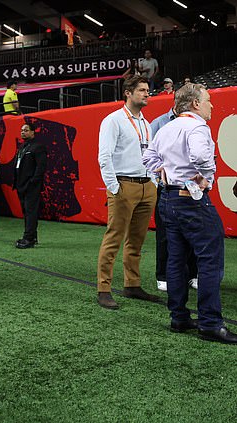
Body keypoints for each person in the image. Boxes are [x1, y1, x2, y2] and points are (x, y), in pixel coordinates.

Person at [143, 83, 237, 343]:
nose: (211, 105)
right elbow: (200, 156)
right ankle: (210, 323)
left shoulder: (167, 126)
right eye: (207, 100)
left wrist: (162, 170)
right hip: (192, 201)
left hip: (168, 199)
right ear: (195, 104)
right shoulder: (197, 126)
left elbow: (147, 157)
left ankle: (179, 318)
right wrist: (206, 176)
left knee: (176, 259)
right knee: (210, 260)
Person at [96, 75, 159, 310]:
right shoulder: (113, 120)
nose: (146, 93)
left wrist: (152, 181)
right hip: (124, 185)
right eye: (141, 90)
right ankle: (104, 288)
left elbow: (150, 154)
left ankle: (132, 285)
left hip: (146, 186)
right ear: (128, 93)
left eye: (147, 90)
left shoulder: (145, 123)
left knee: (137, 241)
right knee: (114, 238)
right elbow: (104, 157)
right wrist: (114, 187)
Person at [150, 106, 198, 292]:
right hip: (166, 188)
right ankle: (163, 275)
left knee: (193, 232)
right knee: (164, 234)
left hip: (191, 188)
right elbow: (148, 154)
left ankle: (193, 275)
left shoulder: (196, 123)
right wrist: (157, 181)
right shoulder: (159, 123)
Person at [13, 122, 47, 249]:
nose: (23, 132)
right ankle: (31, 236)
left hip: (31, 186)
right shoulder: (22, 147)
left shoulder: (38, 147)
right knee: (26, 212)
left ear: (33, 132)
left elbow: (41, 167)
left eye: (26, 130)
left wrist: (33, 182)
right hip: (21, 185)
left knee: (30, 211)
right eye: (22, 130)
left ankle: (29, 238)